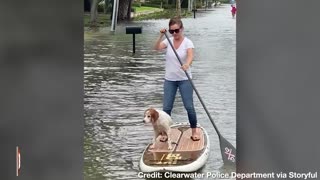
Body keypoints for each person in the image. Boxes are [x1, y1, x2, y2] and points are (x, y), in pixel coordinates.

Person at [153, 17, 200, 141]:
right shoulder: (168, 41)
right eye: (171, 31)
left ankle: (194, 131)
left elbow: (190, 56)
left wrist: (187, 64)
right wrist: (161, 36)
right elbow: (156, 48)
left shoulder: (188, 42)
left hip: (185, 79)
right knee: (167, 108)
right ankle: (163, 133)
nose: (174, 33)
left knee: (189, 106)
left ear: (182, 29)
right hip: (170, 80)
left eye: (176, 30)